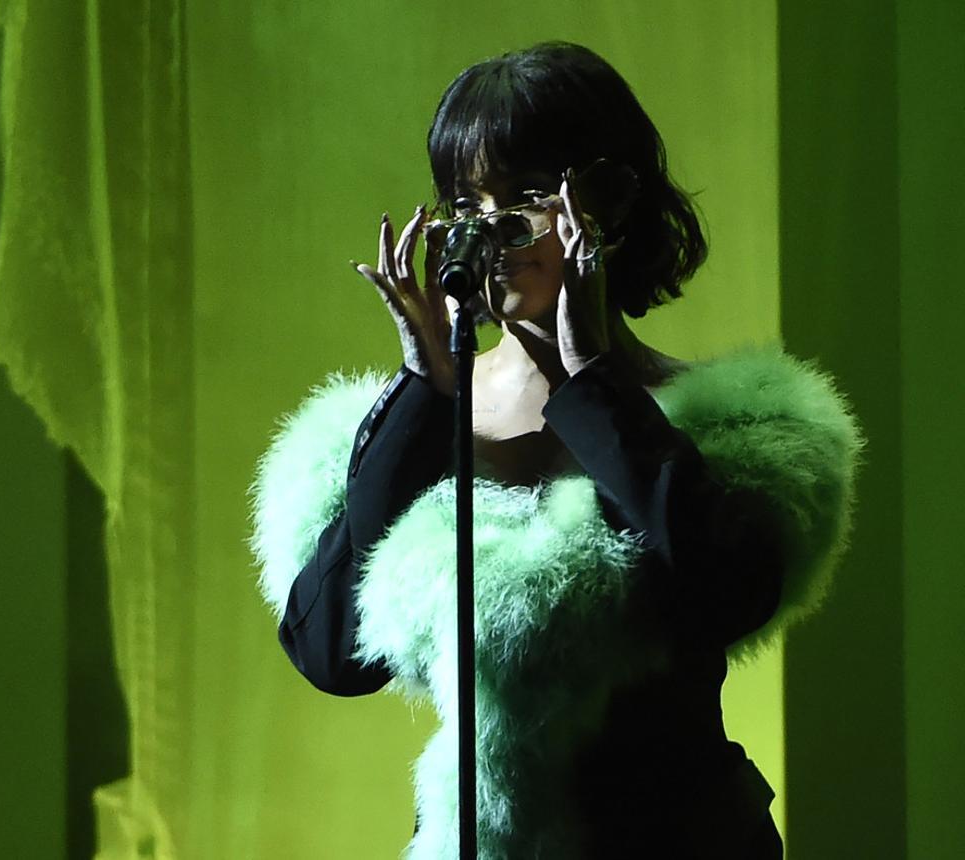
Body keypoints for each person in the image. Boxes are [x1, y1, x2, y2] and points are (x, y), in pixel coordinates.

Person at [250, 42, 861, 859]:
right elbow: (329, 653)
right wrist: (419, 399)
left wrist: (591, 379)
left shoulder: (727, 423)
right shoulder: (421, 417)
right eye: (466, 200)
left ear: (608, 201)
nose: (490, 230)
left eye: (527, 195)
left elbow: (732, 595)